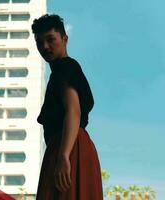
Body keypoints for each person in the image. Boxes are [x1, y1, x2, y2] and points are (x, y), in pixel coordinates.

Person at [31, 14, 103, 200]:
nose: (44, 47)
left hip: (69, 148)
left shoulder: (65, 67)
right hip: (72, 147)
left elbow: (73, 111)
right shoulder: (62, 71)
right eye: (39, 42)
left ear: (65, 39)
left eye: (50, 39)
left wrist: (63, 156)